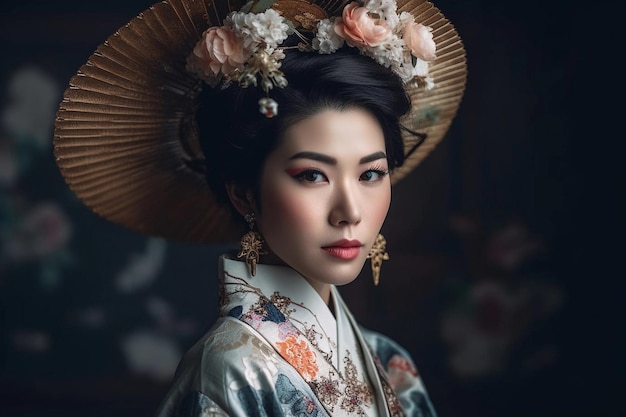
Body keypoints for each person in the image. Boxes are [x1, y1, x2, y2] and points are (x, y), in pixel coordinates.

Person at [53, 0, 466, 415]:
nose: (350, 212)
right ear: (244, 193)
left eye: (371, 174)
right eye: (312, 175)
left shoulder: (392, 364)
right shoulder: (228, 370)